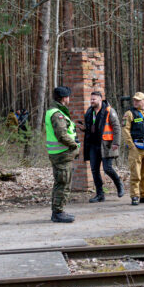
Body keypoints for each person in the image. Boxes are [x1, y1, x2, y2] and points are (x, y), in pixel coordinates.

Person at [80, 90, 123, 202]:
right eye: (91, 99)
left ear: (100, 99)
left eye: (94, 99)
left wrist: (116, 142)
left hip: (107, 145)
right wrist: (84, 128)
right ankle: (100, 194)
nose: (92, 101)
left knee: (107, 168)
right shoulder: (89, 112)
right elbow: (90, 127)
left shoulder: (109, 110)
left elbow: (117, 127)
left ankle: (119, 184)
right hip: (93, 145)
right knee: (94, 170)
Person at [45, 86, 79, 223]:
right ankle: (58, 212)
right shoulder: (57, 114)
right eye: (68, 97)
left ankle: (58, 210)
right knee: (63, 183)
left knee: (61, 182)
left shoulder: (55, 112)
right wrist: (74, 145)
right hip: (61, 154)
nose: (69, 99)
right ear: (64, 98)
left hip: (60, 154)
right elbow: (61, 135)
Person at [121, 92, 144, 205]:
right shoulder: (129, 113)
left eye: (138, 100)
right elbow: (125, 130)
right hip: (136, 148)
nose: (135, 102)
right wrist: (131, 146)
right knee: (135, 173)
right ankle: (135, 196)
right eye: (134, 100)